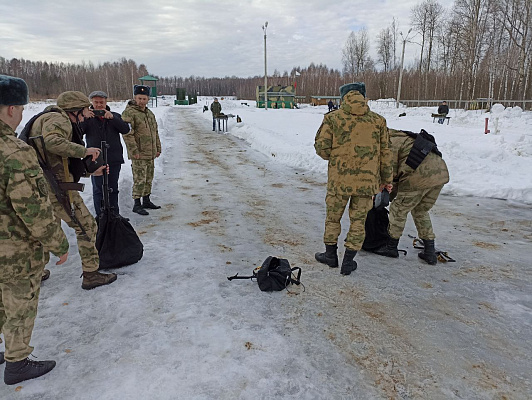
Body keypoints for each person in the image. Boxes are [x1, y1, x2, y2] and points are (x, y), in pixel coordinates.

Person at [0, 75, 69, 384]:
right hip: (13, 249)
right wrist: (59, 243)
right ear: (12, 109)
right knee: (19, 302)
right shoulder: (14, 152)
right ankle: (17, 362)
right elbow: (34, 209)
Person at [29, 91, 117, 290]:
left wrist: (88, 172)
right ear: (74, 110)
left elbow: (56, 160)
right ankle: (91, 273)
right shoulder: (57, 118)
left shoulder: (46, 118)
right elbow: (53, 143)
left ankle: (35, 272)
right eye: (85, 109)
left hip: (42, 185)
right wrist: (85, 151)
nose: (88, 114)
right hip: (56, 188)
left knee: (43, 229)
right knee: (87, 226)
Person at [314, 82, 393, 275]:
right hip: (367, 182)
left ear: (343, 98)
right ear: (363, 97)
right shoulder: (378, 121)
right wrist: (386, 180)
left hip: (339, 180)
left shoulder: (332, 118)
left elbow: (321, 148)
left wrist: (338, 156)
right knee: (359, 221)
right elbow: (386, 153)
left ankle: (330, 256)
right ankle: (348, 262)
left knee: (333, 218)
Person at [372, 129, 449, 264]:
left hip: (418, 176)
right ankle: (429, 251)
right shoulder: (404, 137)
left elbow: (390, 172)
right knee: (420, 210)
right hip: (440, 174)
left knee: (398, 209)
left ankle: (391, 247)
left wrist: (383, 194)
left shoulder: (389, 142)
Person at [82, 91, 130, 217]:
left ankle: (114, 215)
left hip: (113, 159)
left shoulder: (114, 116)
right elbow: (78, 132)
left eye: (101, 102)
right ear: (91, 102)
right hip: (95, 160)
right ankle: (100, 216)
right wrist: (86, 118)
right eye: (96, 102)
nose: (99, 105)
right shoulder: (87, 118)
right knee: (98, 190)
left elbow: (126, 129)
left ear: (106, 102)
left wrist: (112, 119)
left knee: (113, 188)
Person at [121, 85, 162, 215]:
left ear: (148, 99)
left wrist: (157, 148)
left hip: (150, 152)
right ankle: (137, 204)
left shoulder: (149, 113)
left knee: (149, 177)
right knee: (139, 179)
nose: (141, 101)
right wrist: (134, 151)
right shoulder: (130, 113)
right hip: (138, 153)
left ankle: (146, 200)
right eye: (139, 98)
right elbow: (128, 134)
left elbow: (155, 132)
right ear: (135, 97)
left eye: (144, 98)